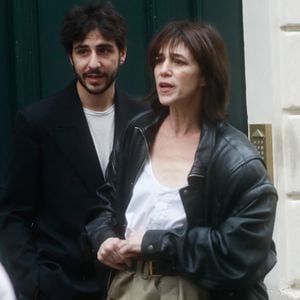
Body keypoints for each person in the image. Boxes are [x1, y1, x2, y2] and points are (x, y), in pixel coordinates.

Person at [85, 20, 278, 300]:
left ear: (204, 75)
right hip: (130, 286)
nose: (164, 70)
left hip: (196, 290)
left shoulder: (237, 160)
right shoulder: (137, 133)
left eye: (178, 61)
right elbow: (106, 202)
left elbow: (242, 253)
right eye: (159, 59)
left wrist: (158, 243)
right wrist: (103, 237)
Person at [0, 2, 146, 300]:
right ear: (71, 57)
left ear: (123, 53)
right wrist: (33, 281)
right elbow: (13, 213)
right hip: (61, 285)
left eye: (104, 50)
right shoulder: (37, 122)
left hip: (135, 285)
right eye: (83, 51)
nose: (93, 63)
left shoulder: (146, 121)